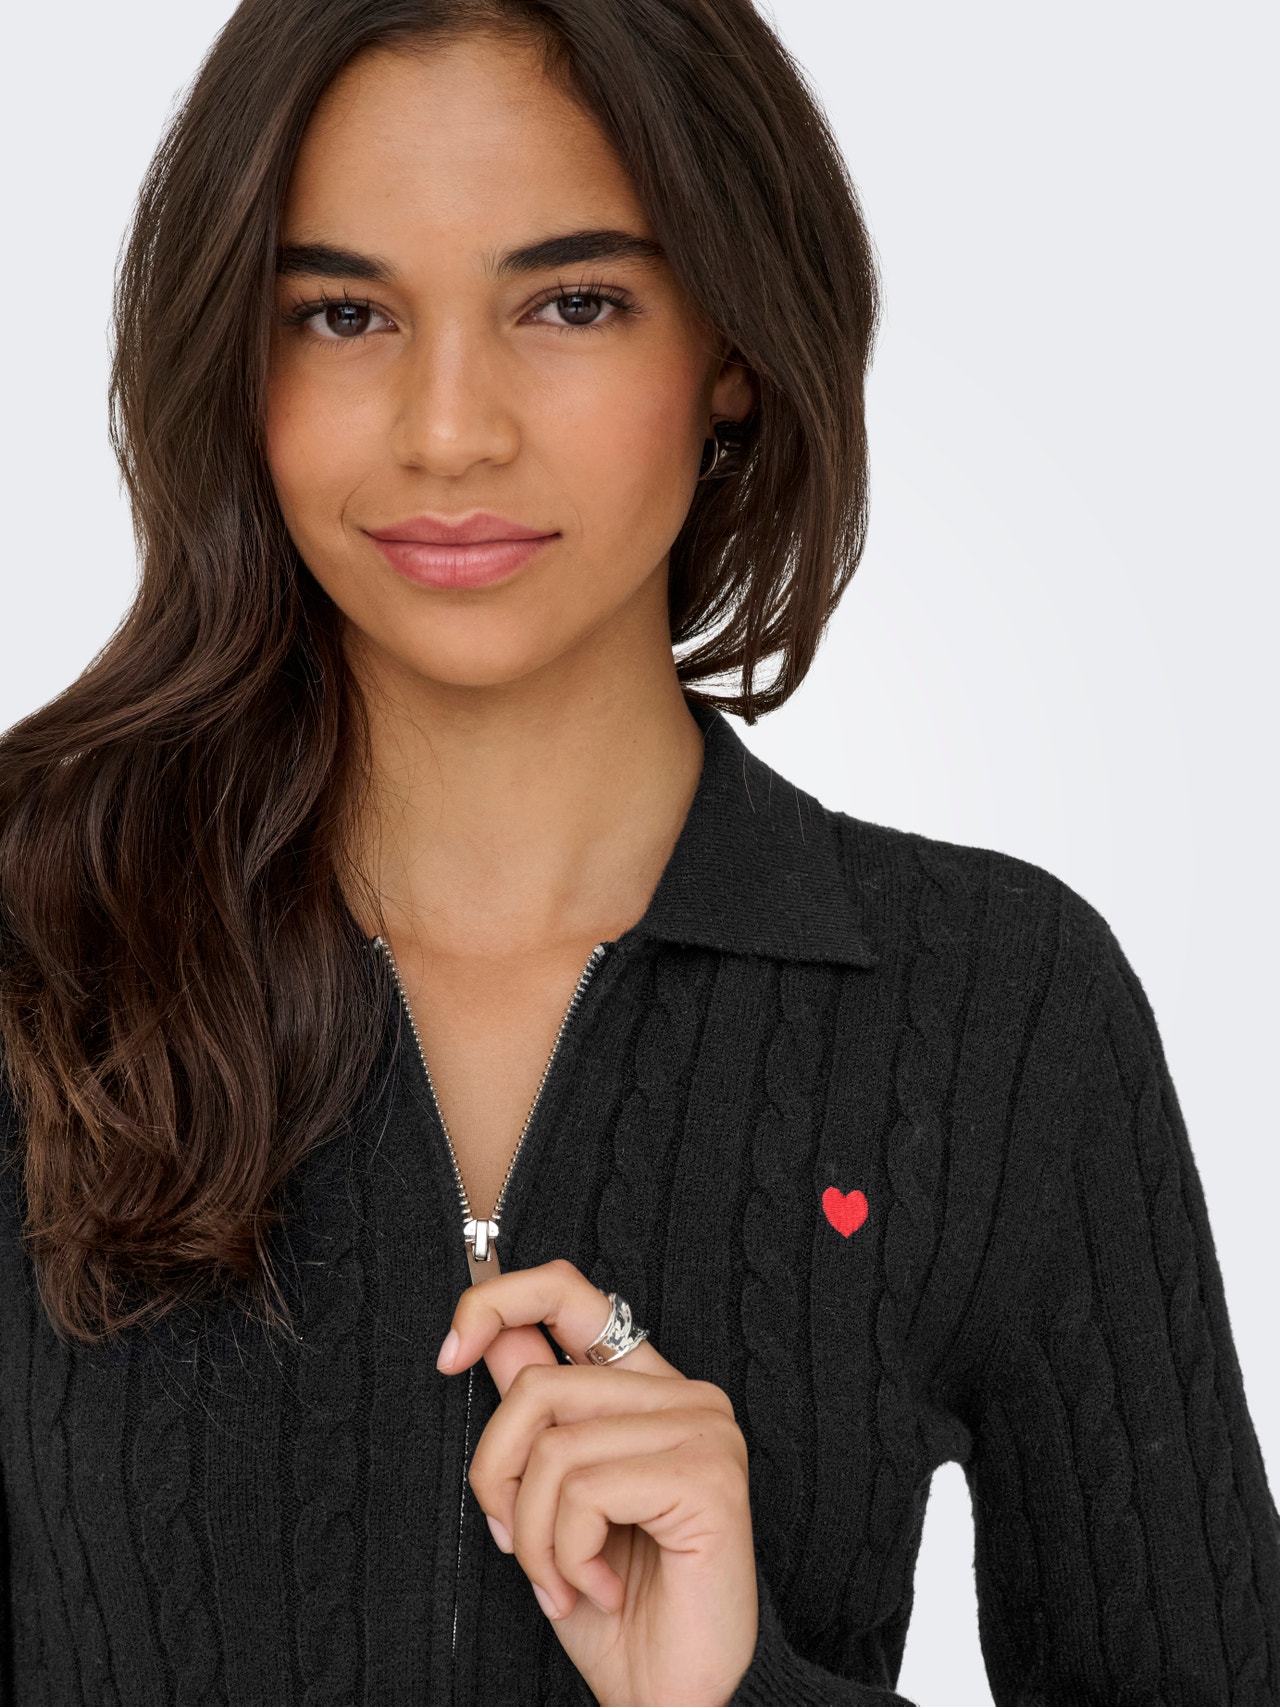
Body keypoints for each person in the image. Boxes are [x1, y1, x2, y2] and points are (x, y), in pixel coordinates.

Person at [0, 0, 1276, 1701]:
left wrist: (733, 1693)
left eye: (573, 302)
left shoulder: (1002, 1011)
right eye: (343, 314)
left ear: (732, 343)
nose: (450, 430)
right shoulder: (32, 956)